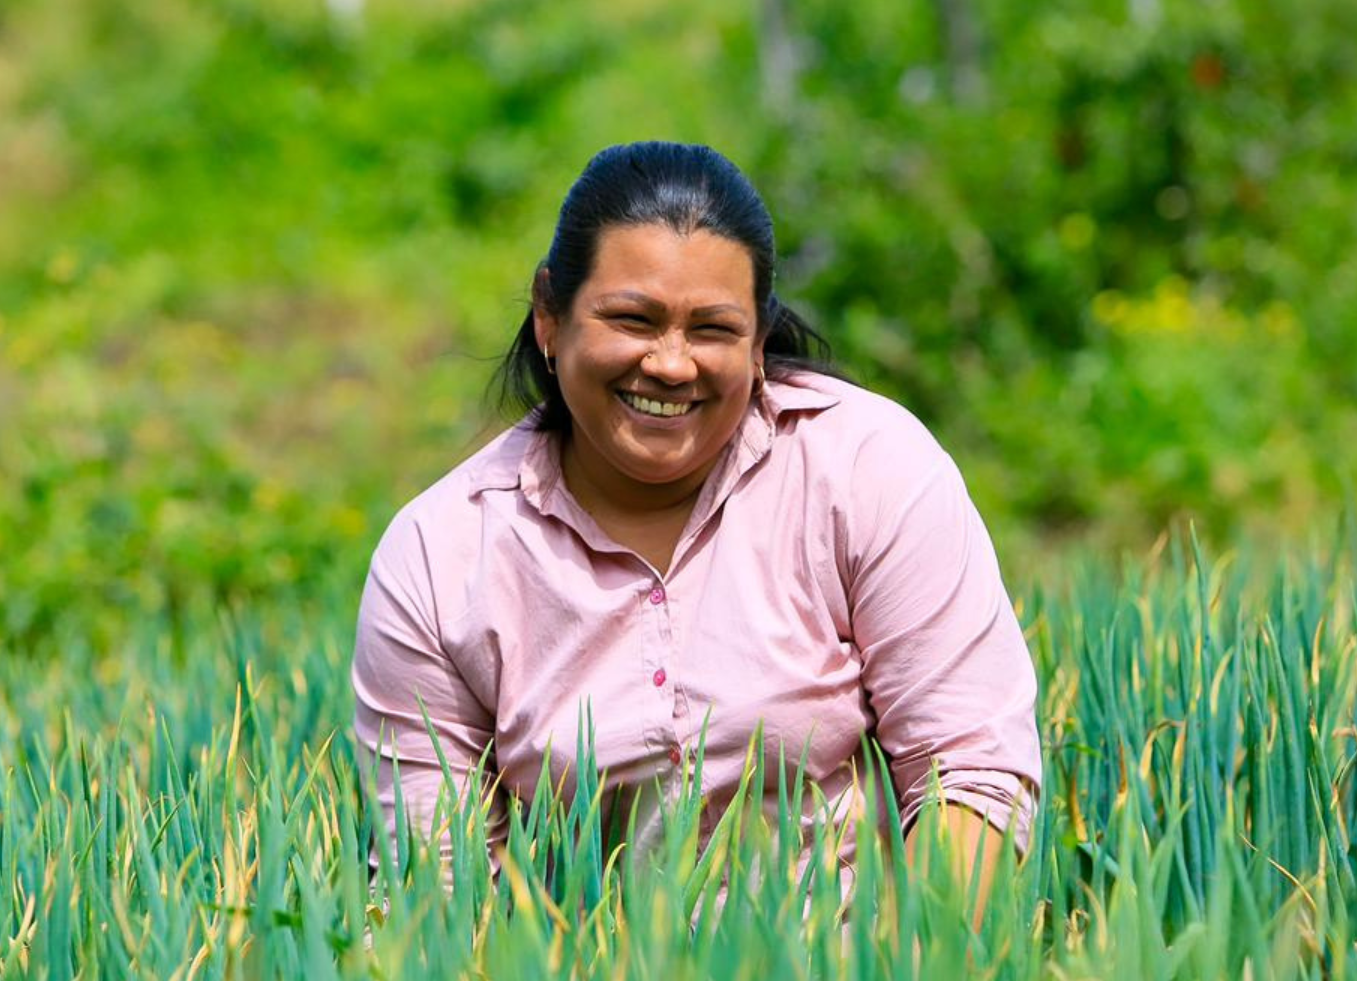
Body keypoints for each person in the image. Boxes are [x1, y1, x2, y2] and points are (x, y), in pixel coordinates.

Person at [352, 141, 1041, 912]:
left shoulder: (865, 467)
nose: (671, 364)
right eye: (632, 320)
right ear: (550, 315)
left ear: (757, 340)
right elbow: (437, 888)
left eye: (711, 329)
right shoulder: (440, 556)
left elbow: (973, 775)